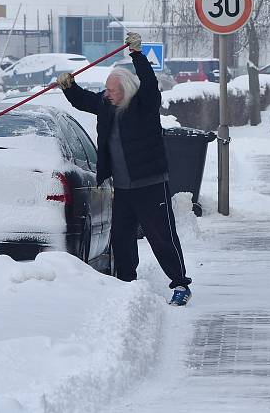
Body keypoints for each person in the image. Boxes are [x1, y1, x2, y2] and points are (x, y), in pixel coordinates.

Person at [56, 32, 192, 306]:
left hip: (151, 184)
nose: (107, 95)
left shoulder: (144, 105)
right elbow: (85, 100)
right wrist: (69, 87)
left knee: (162, 236)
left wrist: (137, 55)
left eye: (112, 91)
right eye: (106, 90)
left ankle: (180, 284)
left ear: (126, 90)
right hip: (123, 187)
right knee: (121, 239)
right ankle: (127, 283)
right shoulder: (107, 105)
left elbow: (150, 84)